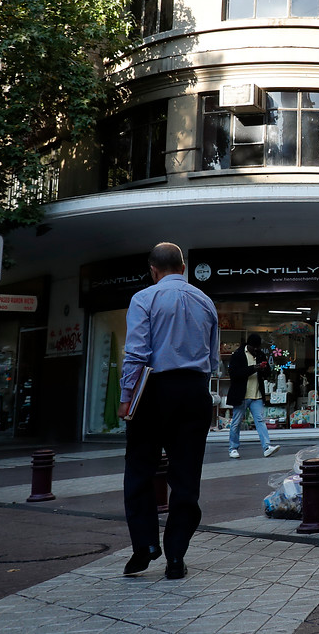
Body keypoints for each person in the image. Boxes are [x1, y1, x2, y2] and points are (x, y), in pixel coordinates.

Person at [117, 242, 219, 580]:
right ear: (183, 268)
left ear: (153, 270)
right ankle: (176, 556)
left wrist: (127, 396)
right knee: (186, 478)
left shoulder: (144, 299)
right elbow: (214, 360)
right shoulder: (206, 302)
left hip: (152, 391)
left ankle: (144, 545)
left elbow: (136, 353)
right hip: (194, 392)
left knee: (139, 471)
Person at [226, 333, 280, 459]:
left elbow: (268, 373)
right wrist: (254, 368)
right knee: (236, 422)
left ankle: (267, 447)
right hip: (241, 395)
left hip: (257, 395)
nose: (256, 350)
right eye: (254, 347)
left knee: (260, 421)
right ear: (248, 345)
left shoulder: (260, 354)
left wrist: (264, 368)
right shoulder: (238, 355)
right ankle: (233, 448)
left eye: (258, 347)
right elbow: (234, 374)